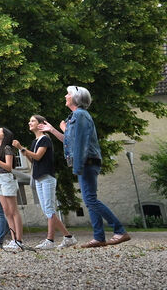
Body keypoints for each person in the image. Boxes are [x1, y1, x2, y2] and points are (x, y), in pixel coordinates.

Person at [39, 86, 131, 248]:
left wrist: (78, 165)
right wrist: (53, 130)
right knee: (90, 200)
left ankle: (119, 230)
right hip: (87, 160)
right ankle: (99, 237)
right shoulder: (76, 116)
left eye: (68, 94)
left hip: (87, 160)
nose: (65, 96)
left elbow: (80, 142)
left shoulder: (80, 115)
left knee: (90, 199)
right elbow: (69, 141)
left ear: (76, 98)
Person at [13, 114, 76, 250]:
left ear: (40, 124)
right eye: (29, 121)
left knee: (49, 209)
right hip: (38, 177)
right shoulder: (34, 142)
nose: (29, 123)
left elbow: (38, 156)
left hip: (47, 177)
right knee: (47, 210)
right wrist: (25, 152)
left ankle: (50, 240)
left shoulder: (45, 140)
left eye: (32, 121)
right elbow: (33, 160)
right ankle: (68, 237)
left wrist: (21, 148)